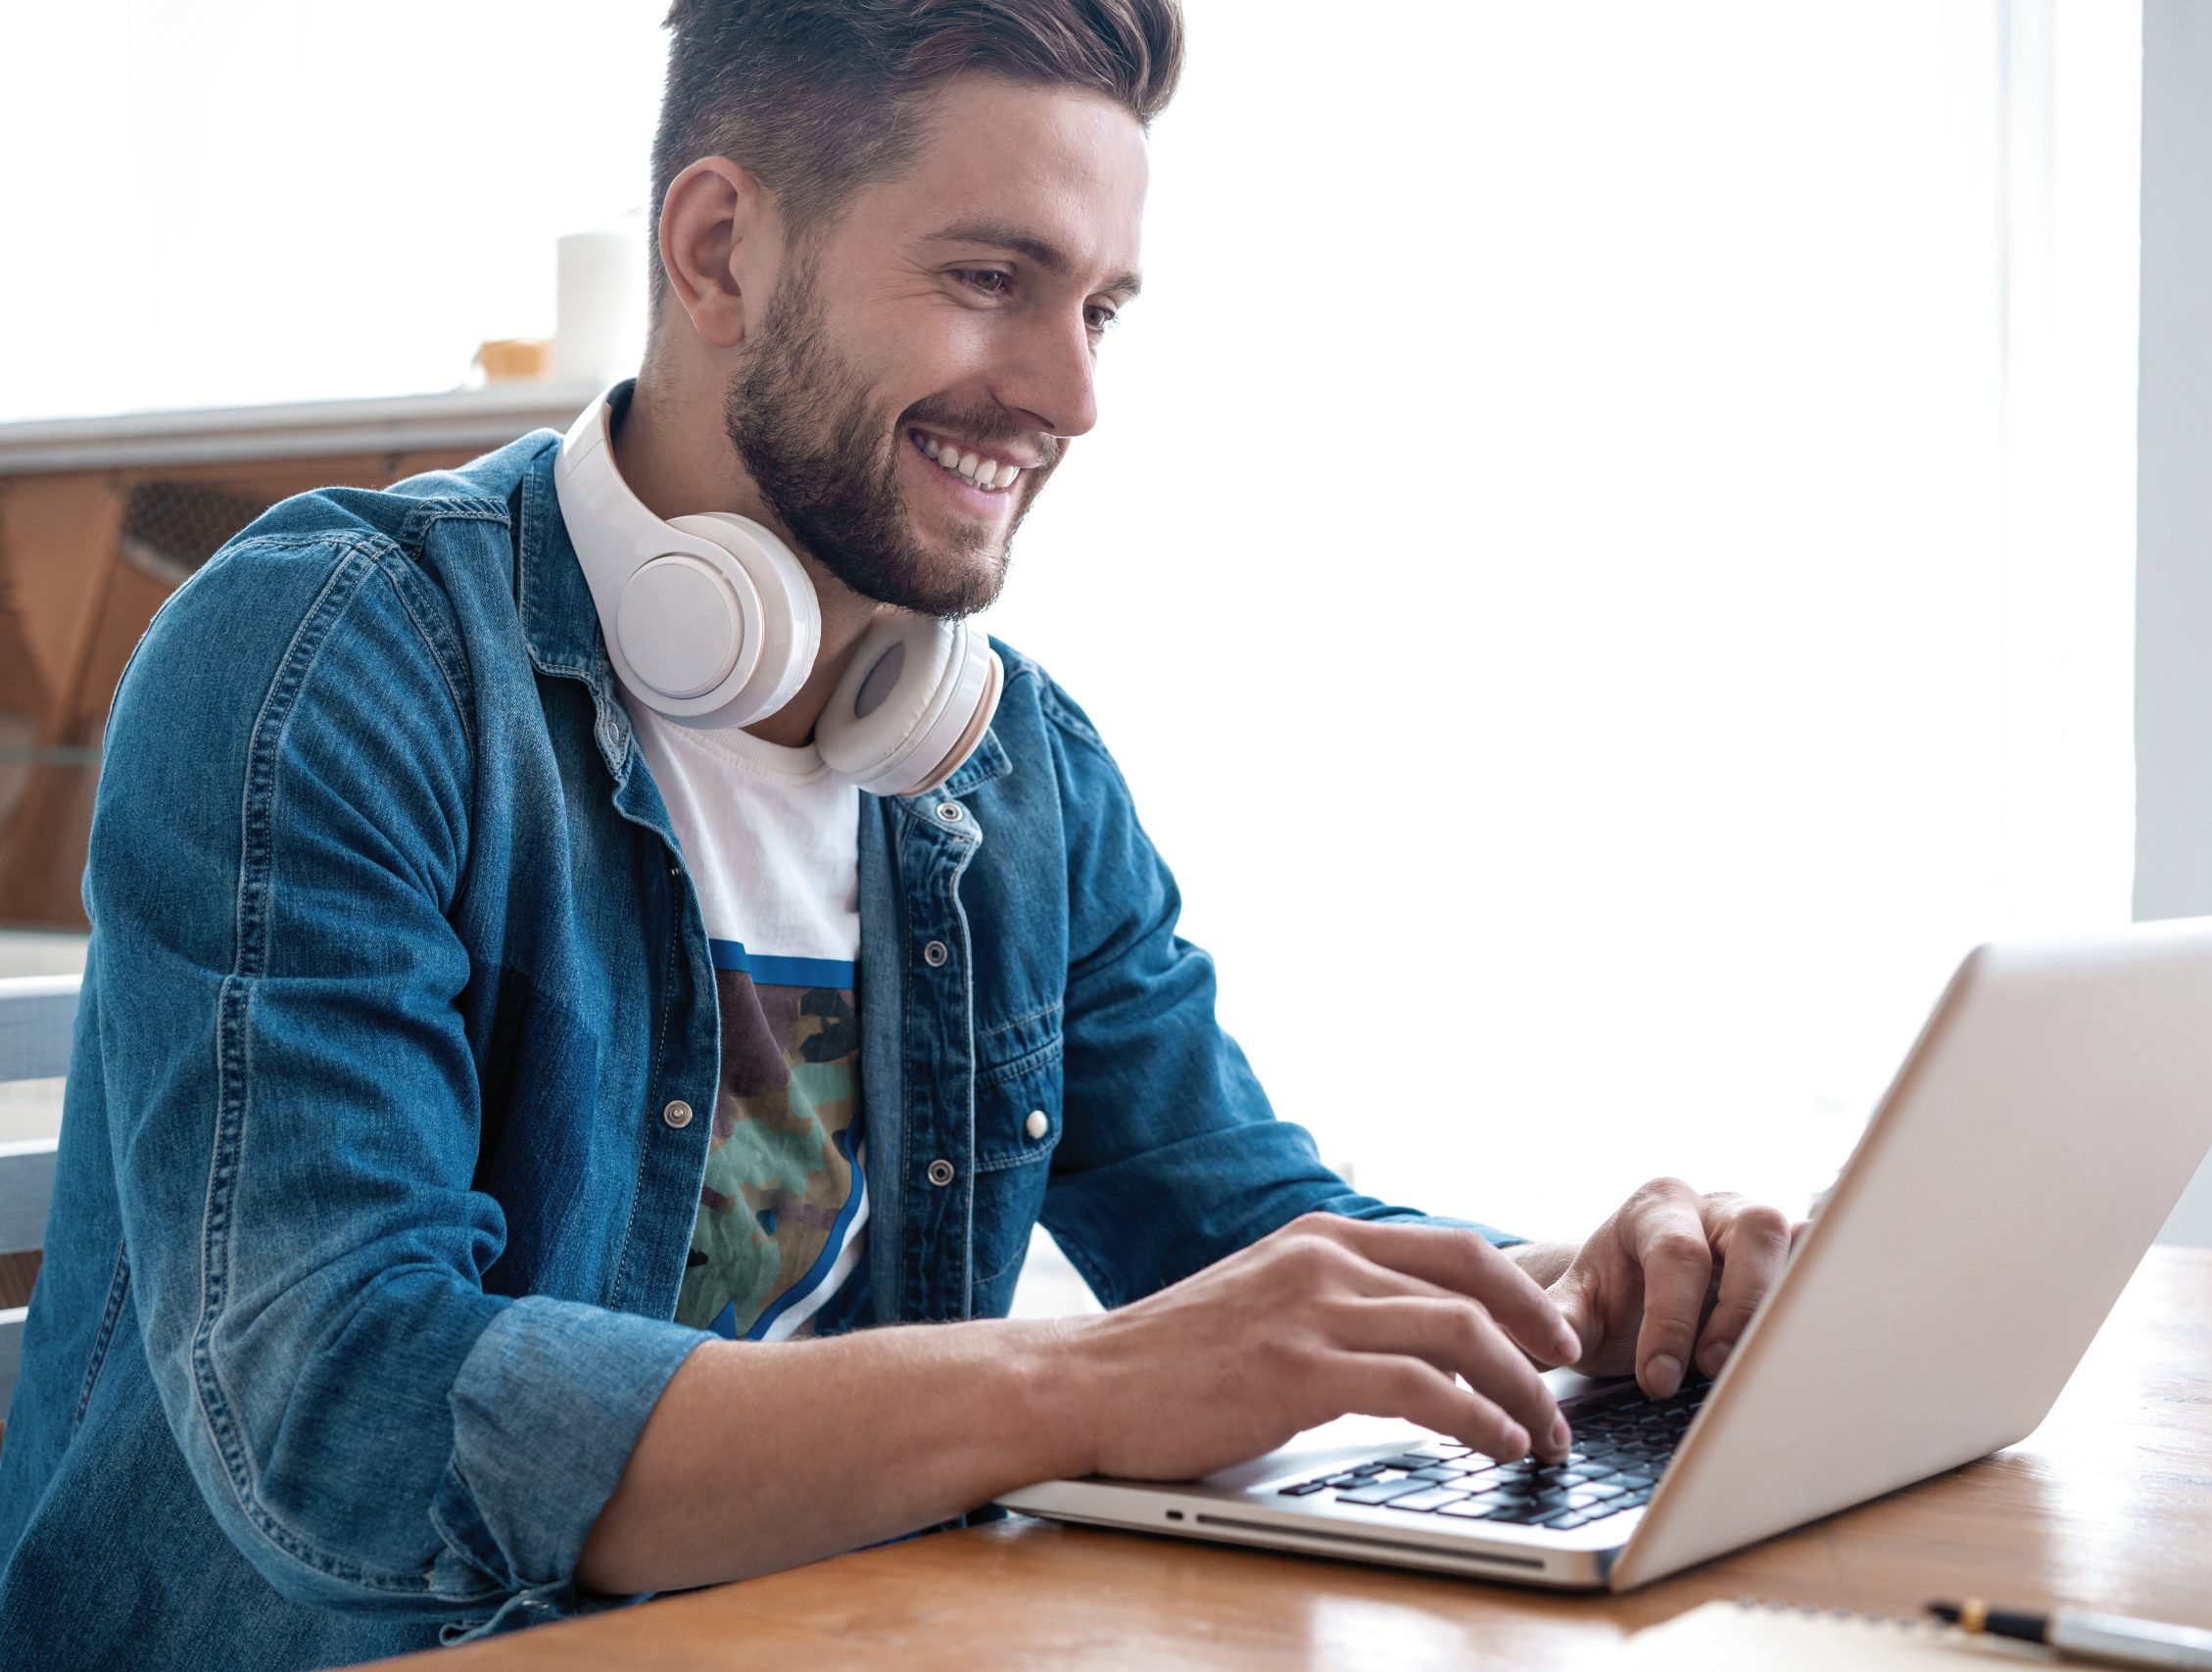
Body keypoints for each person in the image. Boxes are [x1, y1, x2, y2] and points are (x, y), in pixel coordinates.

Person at [0, 3, 1797, 1666]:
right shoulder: (327, 662)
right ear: (719, 250)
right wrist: (1078, 1386)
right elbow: (348, 1410)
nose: (1072, 396)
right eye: (991, 277)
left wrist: (1592, 1289)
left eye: (1098, 309)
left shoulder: (1013, 772)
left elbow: (1253, 1248)